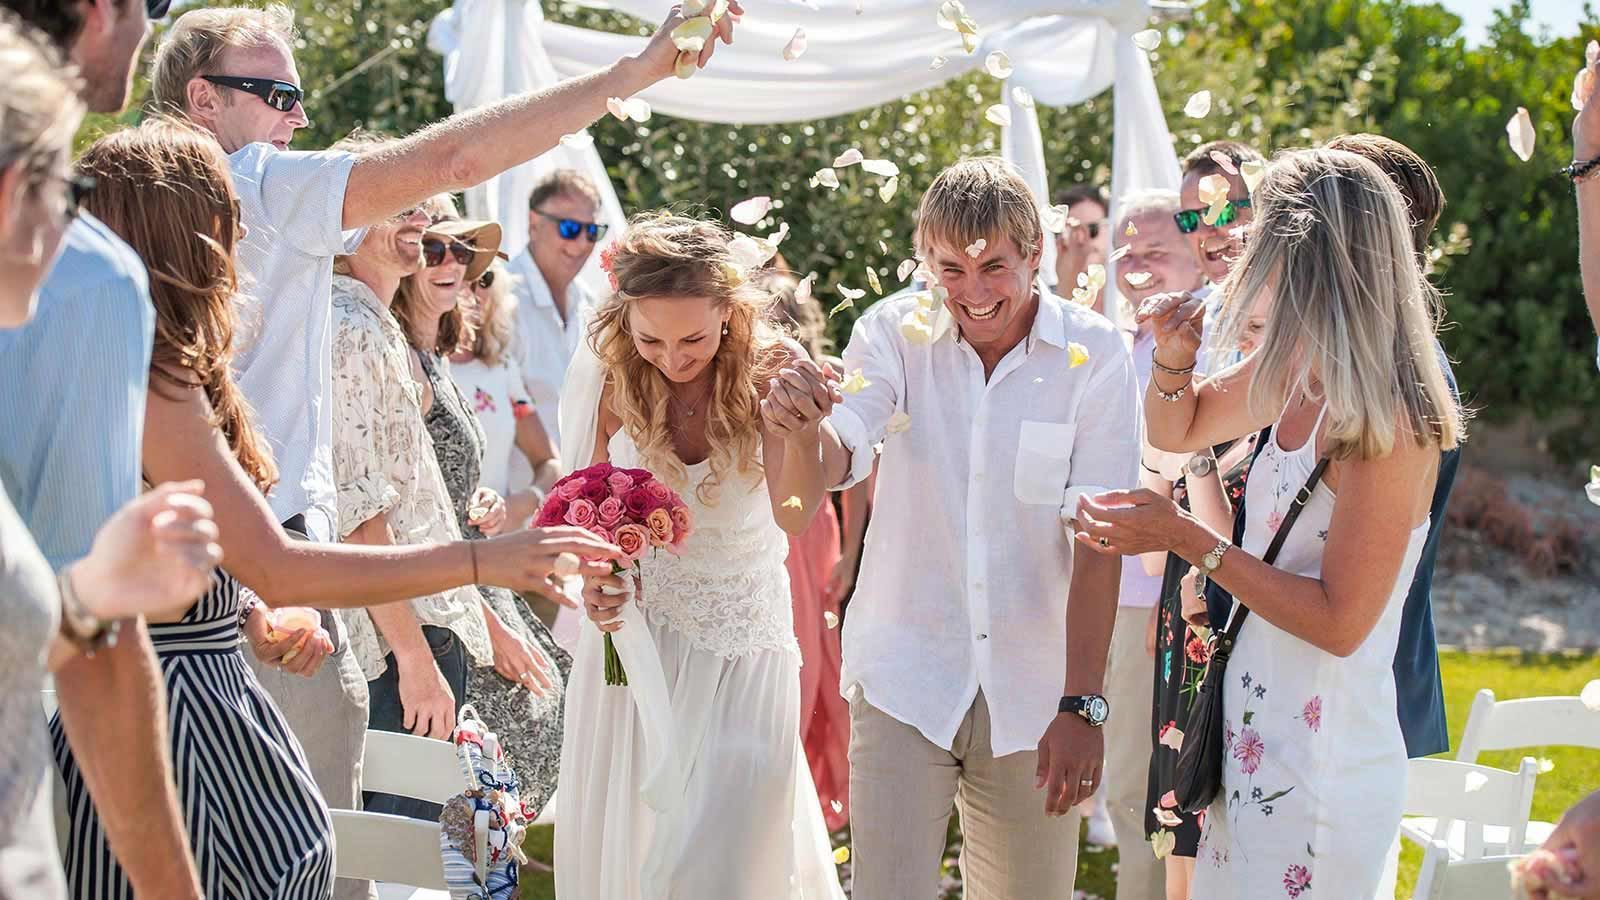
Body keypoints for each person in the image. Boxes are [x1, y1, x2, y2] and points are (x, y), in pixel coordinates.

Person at [148, 3, 733, 870]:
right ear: (204, 100)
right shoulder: (260, 182)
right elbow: (454, 158)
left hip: (178, 556)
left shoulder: (135, 213)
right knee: (314, 853)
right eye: (276, 95)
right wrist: (630, 75)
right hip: (277, 560)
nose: (297, 120)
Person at [1076, 148, 1466, 897]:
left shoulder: (1394, 412)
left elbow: (1341, 621)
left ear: (1313, 256)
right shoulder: (1294, 369)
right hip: (1251, 734)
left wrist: (1189, 541)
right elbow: (1178, 430)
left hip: (1325, 759)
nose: (1244, 256)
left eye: (1265, 242)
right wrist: (1173, 361)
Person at [776, 156, 1140, 898]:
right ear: (925, 257)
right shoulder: (889, 332)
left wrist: (1083, 703)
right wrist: (802, 425)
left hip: (1039, 694)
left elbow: (1099, 539)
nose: (972, 292)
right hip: (904, 672)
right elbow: (843, 447)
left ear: (1035, 255)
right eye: (949, 267)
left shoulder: (1097, 353)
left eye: (995, 268)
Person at [57, 118, 341, 899]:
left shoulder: (159, 368)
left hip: (215, 710)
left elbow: (172, 555)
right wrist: (490, 558)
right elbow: (271, 562)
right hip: (166, 733)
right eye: (226, 209)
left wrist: (246, 616)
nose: (243, 228)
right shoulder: (134, 378)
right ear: (182, 235)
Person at [558, 214, 846, 899]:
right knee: (644, 848)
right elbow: (583, 507)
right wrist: (598, 578)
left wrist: (802, 436)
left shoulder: (770, 372)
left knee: (730, 854)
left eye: (692, 337)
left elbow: (794, 515)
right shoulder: (608, 378)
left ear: (730, 312)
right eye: (649, 336)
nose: (672, 356)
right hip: (638, 647)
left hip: (745, 644)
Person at [0, 19, 221, 899]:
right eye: (70, 187)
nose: (75, 225)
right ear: (19, 190)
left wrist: (90, 598)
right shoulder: (99, 288)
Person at [394, 201, 573, 819]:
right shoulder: (388, 352)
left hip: (473, 579)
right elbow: (390, 516)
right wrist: (484, 625)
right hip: (441, 600)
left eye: (464, 253)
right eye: (435, 248)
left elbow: (450, 481)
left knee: (539, 726)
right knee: (484, 782)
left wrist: (501, 500)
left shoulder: (433, 357)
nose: (453, 264)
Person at [1098, 188, 1206, 900]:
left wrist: (1166, 588)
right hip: (1097, 588)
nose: (1136, 266)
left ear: (1194, 256)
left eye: (1155, 252)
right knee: (1113, 779)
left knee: (1147, 787)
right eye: (1126, 252)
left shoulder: (1198, 345)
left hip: (1155, 594)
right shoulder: (1110, 341)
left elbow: (1201, 469)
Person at [764, 268, 851, 832]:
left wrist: (853, 551)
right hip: (773, 529)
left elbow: (857, 477)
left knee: (822, 658)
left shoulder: (831, 381)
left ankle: (828, 800)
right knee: (790, 656)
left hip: (815, 526)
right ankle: (790, 792)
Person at [450, 258, 562, 528]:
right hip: (433, 551)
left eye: (485, 278)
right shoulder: (411, 363)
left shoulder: (502, 368)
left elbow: (549, 463)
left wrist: (522, 503)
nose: (475, 290)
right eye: (463, 275)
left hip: (498, 555)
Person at [508, 168, 607, 452]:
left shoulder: (589, 302)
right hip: (517, 490)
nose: (581, 243)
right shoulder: (501, 298)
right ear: (534, 222)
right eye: (569, 228)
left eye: (592, 232)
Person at [1052, 183, 1111, 315]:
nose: (1082, 241)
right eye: (1072, 232)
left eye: (1092, 229)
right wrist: (1066, 289)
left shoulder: (1131, 294)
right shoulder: (1045, 301)